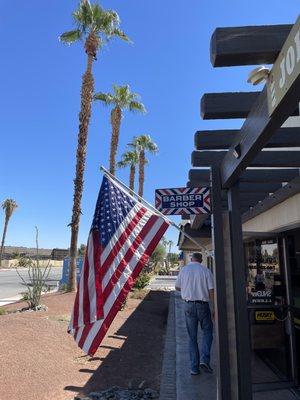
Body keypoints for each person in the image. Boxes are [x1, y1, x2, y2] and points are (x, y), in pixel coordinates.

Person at [175, 252, 214, 375]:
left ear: (191, 259)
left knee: (192, 337)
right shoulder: (206, 271)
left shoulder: (184, 270)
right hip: (203, 306)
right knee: (207, 332)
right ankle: (204, 359)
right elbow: (211, 291)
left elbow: (177, 287)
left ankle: (194, 368)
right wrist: (214, 308)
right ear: (201, 260)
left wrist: (187, 288)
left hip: (188, 305)